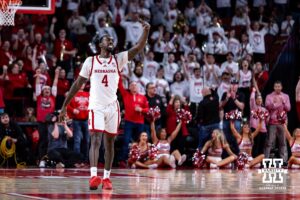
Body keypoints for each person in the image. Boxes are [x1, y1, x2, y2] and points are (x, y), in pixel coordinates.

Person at [59, 19, 151, 190]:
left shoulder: (118, 59)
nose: (110, 41)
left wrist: (145, 31)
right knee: (95, 139)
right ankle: (94, 176)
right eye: (107, 39)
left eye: (111, 40)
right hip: (96, 105)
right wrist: (65, 105)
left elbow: (138, 48)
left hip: (112, 106)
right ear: (100, 44)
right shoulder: (91, 62)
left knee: (109, 143)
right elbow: (77, 85)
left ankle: (107, 178)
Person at [265, 81, 291, 164]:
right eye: (276, 86)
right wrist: (274, 104)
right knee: (269, 142)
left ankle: (284, 160)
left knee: (283, 142)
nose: (277, 88)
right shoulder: (269, 96)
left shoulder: (285, 96)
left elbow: (288, 108)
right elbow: (267, 106)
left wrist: (283, 101)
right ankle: (267, 159)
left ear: (281, 87)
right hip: (272, 122)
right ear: (274, 87)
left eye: (279, 86)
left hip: (282, 122)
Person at [67, 84, 89, 161]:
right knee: (77, 140)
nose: (81, 85)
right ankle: (77, 159)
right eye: (81, 83)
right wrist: (73, 110)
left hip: (86, 119)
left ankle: (85, 159)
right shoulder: (72, 93)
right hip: (76, 120)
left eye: (83, 83)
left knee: (87, 140)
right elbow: (67, 105)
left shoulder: (88, 94)